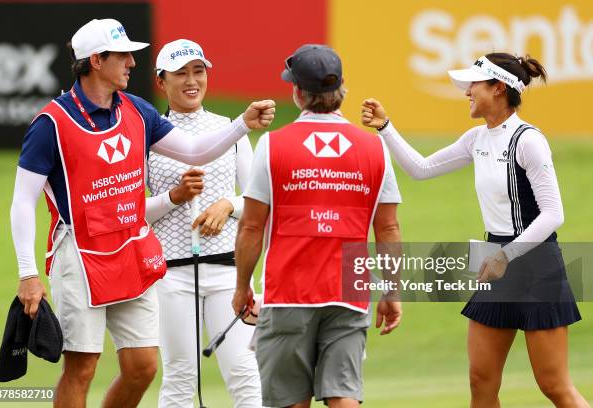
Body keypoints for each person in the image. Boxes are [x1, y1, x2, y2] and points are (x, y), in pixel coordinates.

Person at [11, 18, 274, 408]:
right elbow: (22, 201)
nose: (132, 62)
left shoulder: (137, 109)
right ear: (97, 60)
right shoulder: (51, 123)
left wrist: (241, 125)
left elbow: (194, 151)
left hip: (132, 252)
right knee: (82, 368)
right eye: (123, 55)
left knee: (142, 367)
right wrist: (28, 274)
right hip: (80, 256)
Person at [362, 53, 589, 407]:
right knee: (480, 382)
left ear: (499, 89)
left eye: (474, 85)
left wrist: (506, 254)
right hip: (494, 262)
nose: (467, 92)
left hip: (536, 263)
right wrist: (385, 127)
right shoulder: (476, 138)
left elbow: (553, 214)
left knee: (553, 386)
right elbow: (421, 169)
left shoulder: (528, 140)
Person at [232, 44, 403, 408]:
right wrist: (391, 290)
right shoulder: (375, 148)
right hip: (349, 291)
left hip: (289, 290)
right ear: (342, 89)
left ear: (297, 92)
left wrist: (242, 286)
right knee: (344, 396)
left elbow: (250, 228)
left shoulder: (272, 145)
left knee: (289, 401)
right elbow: (387, 229)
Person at [146, 39, 262, 407]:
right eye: (180, 74)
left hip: (230, 271)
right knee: (180, 376)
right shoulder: (148, 134)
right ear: (161, 82)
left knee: (244, 372)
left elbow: (262, 202)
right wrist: (174, 197)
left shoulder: (230, 129)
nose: (191, 80)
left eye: (198, 71)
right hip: (171, 276)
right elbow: (132, 212)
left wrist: (228, 204)